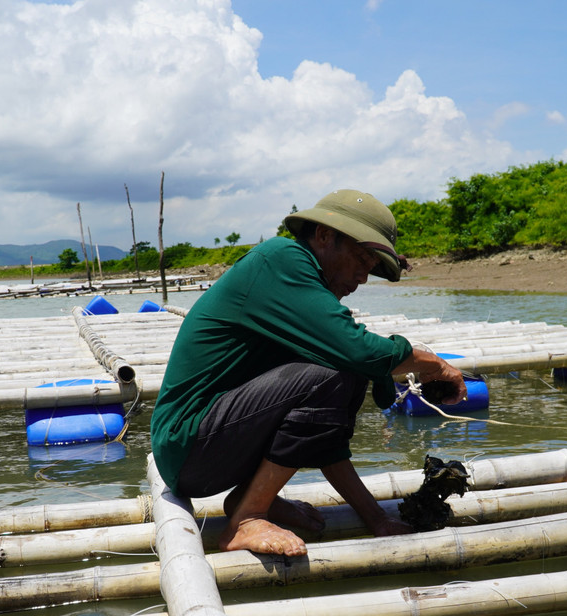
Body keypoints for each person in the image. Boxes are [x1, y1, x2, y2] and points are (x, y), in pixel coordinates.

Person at [149, 189, 466, 556]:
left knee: (341, 371)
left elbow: (324, 434)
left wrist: (376, 518)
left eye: (370, 268)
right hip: (186, 444)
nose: (363, 277)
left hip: (206, 452)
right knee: (336, 374)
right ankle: (248, 518)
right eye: (361, 259)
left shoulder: (301, 295)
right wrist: (434, 363)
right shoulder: (282, 259)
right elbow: (358, 352)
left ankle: (251, 499)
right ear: (324, 236)